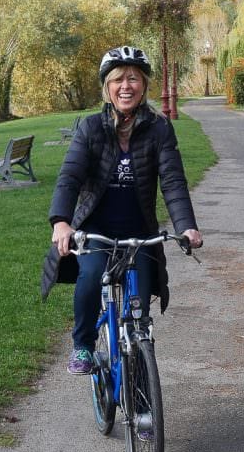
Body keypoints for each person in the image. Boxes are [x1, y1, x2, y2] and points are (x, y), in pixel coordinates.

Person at [41, 46, 204, 375]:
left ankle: (143, 406)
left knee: (140, 321)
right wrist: (61, 222)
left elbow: (172, 181)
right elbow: (70, 177)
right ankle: (84, 346)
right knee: (90, 276)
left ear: (143, 85)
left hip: (138, 233)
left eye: (133, 78)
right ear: (108, 87)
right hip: (95, 229)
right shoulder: (91, 128)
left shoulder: (159, 129)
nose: (125, 85)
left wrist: (187, 226)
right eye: (118, 79)